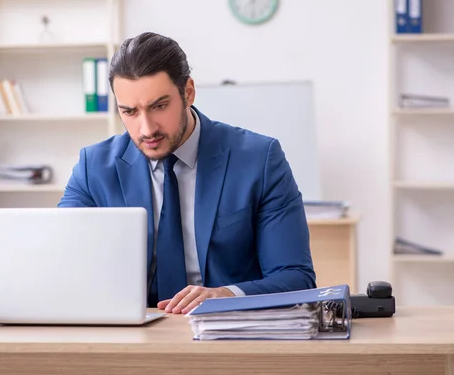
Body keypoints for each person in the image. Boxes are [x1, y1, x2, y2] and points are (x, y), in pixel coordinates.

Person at [58, 32, 316, 314]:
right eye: (129, 112)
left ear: (188, 92)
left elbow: (296, 278)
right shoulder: (93, 167)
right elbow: (61, 265)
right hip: (131, 334)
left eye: (159, 106)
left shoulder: (259, 160)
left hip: (226, 335)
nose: (147, 129)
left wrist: (227, 294)